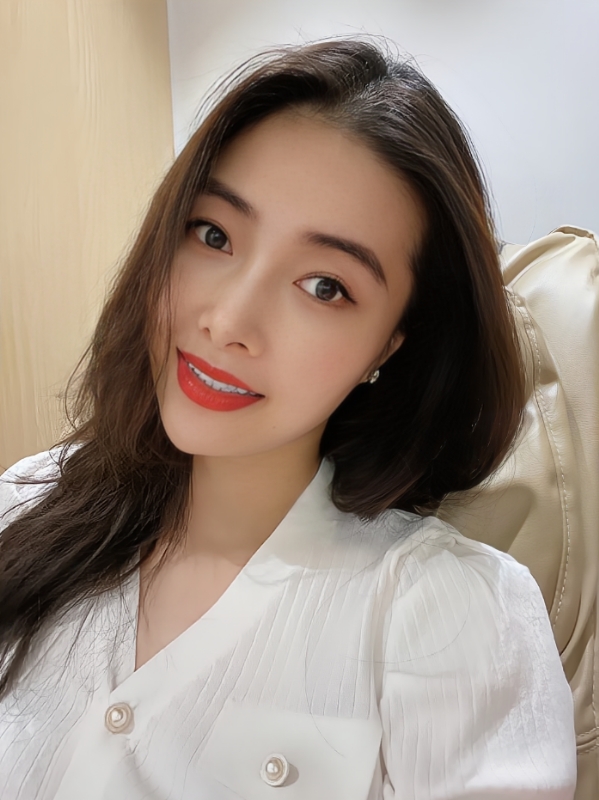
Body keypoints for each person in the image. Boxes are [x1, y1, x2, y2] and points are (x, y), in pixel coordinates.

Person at [0, 38, 576, 799]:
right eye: (213, 235)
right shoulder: (24, 503)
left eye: (324, 286)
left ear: (390, 344)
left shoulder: (451, 616)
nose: (228, 321)